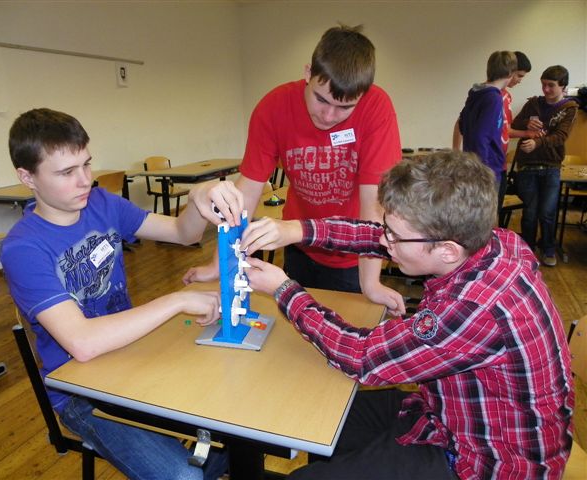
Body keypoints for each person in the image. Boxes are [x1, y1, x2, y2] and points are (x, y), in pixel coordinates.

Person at [240, 151, 574, 479]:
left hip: (485, 463)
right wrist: (295, 230)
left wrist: (283, 289)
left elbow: (361, 357)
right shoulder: (494, 241)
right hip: (445, 414)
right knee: (320, 419)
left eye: (394, 236)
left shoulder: (474, 308)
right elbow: (373, 235)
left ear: (447, 250)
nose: (384, 240)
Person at [0, 108, 241, 480]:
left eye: (86, 164)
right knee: (185, 476)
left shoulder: (103, 204)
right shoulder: (23, 248)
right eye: (66, 172)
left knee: (240, 419)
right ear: (27, 177)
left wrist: (198, 197)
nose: (85, 180)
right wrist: (177, 300)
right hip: (80, 392)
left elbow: (184, 233)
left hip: (131, 354)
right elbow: (82, 343)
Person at [183, 24, 405, 316]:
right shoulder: (273, 108)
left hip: (354, 256)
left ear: (361, 97)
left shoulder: (377, 107)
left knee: (346, 331)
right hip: (298, 242)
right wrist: (220, 263)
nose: (329, 115)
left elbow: (373, 206)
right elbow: (246, 194)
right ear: (308, 73)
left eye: (344, 108)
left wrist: (371, 284)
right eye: (321, 99)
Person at [511, 65, 579, 267]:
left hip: (551, 167)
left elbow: (561, 136)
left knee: (548, 212)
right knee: (530, 212)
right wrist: (526, 124)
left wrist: (537, 143)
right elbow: (514, 124)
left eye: (551, 85)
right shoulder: (533, 103)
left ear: (563, 86)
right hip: (527, 166)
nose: (546, 89)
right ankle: (528, 249)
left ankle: (548, 248)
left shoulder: (570, 108)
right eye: (543, 85)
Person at [454, 51, 517, 207]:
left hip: (474, 164)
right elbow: (481, 136)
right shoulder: (493, 98)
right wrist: (484, 171)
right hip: (488, 168)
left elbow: (462, 124)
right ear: (510, 73)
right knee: (487, 214)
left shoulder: (476, 94)